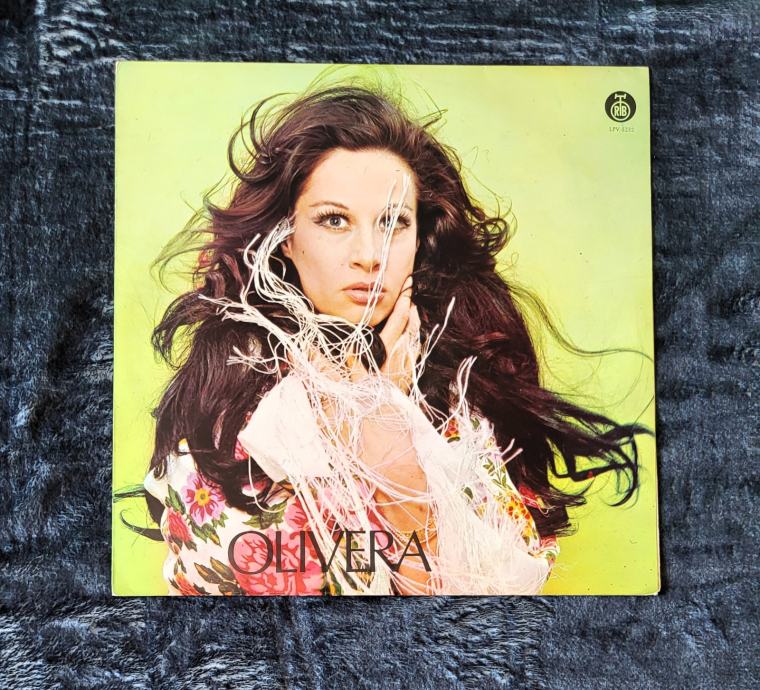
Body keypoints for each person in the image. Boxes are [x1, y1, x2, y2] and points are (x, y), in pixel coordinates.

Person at [115, 82, 650, 596]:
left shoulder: (468, 399)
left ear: (421, 239)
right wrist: (369, 439)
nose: (369, 255)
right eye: (333, 220)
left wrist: (395, 439)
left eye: (394, 223)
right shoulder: (234, 410)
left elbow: (487, 619)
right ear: (285, 239)